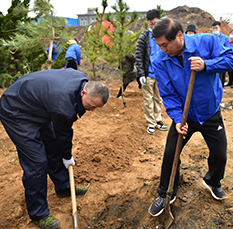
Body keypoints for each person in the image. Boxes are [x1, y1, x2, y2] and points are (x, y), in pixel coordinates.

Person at [0, 68, 110, 229]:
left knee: (52, 146)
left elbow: (59, 139)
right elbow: (63, 135)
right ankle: (39, 214)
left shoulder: (81, 80)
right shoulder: (63, 106)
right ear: (84, 93)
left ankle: (64, 186)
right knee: (37, 162)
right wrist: (67, 156)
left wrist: (64, 154)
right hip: (16, 111)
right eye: (91, 106)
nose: (92, 110)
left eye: (96, 108)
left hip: (37, 106)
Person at [147, 17, 233, 217]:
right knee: (170, 154)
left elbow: (230, 59)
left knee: (220, 154)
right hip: (185, 116)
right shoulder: (160, 60)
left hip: (210, 112)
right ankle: (166, 192)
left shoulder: (207, 42)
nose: (163, 49)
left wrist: (206, 65)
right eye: (159, 45)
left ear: (179, 35)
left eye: (165, 45)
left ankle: (212, 181)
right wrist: (178, 119)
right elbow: (167, 94)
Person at [135, 9, 168, 134]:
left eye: (156, 23)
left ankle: (158, 120)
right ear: (148, 23)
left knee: (158, 98)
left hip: (160, 74)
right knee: (148, 99)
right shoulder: (144, 37)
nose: (154, 26)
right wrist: (141, 74)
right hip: (148, 75)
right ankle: (151, 123)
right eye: (151, 24)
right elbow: (139, 56)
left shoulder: (164, 36)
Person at [211, 21, 231, 92]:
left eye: (216, 28)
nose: (215, 30)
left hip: (222, 58)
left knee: (222, 73)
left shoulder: (225, 37)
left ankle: (222, 87)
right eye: (213, 28)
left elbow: (228, 48)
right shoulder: (211, 37)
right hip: (213, 58)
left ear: (220, 28)